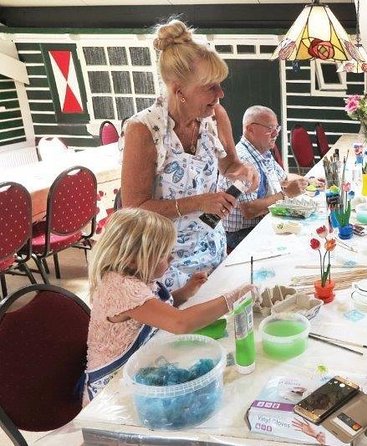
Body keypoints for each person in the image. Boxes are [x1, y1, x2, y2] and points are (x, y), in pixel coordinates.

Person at [120, 19, 258, 290]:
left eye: (220, 84)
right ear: (178, 90)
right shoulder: (144, 130)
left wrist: (243, 172)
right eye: (210, 86)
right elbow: (134, 209)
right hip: (164, 261)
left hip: (212, 246)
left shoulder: (214, 116)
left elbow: (230, 163)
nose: (221, 93)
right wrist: (198, 203)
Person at [83, 208, 255, 404]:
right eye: (165, 255)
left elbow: (150, 311)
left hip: (141, 364)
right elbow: (180, 323)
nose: (172, 259)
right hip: (112, 385)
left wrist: (183, 294)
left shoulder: (133, 275)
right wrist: (233, 298)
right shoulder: (120, 287)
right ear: (133, 259)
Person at [221, 105, 307, 250]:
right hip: (241, 233)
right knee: (293, 247)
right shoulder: (242, 159)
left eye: (277, 129)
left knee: (303, 233)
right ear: (250, 129)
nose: (275, 134)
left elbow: (284, 178)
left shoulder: (263, 151)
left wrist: (309, 181)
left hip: (262, 223)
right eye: (270, 129)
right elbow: (249, 210)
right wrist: (286, 194)